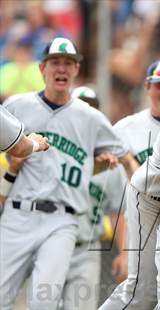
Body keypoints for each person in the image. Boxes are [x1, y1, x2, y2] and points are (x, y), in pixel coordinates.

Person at [0, 37, 136, 309]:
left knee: (43, 303)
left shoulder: (91, 117)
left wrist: (136, 178)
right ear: (42, 68)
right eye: (55, 62)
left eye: (68, 63)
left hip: (63, 219)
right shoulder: (16, 106)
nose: (61, 69)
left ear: (76, 70)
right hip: (19, 213)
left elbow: (126, 157)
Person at [99, 57, 160, 310]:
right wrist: (125, 249)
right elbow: (115, 193)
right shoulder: (125, 129)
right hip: (143, 225)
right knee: (140, 294)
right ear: (147, 86)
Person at [58, 86, 128, 309]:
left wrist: (125, 253)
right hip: (49, 243)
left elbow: (120, 211)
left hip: (86, 249)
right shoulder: (54, 151)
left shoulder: (111, 164)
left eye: (91, 109)